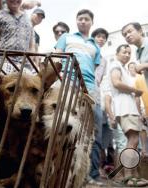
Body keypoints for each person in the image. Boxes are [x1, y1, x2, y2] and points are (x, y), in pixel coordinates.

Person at [55, 9, 103, 185]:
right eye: (80, 19)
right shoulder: (66, 37)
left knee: (85, 132)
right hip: (66, 82)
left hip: (89, 89)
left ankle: (82, 175)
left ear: (91, 22)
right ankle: (57, 171)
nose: (83, 21)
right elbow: (57, 57)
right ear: (76, 21)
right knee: (63, 125)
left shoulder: (95, 46)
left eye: (86, 19)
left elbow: (95, 69)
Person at [108, 44, 148, 186]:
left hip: (126, 108)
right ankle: (129, 176)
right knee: (133, 140)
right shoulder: (115, 64)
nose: (127, 54)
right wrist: (135, 91)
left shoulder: (122, 67)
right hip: (125, 108)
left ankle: (128, 175)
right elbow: (116, 82)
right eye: (124, 52)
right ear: (117, 53)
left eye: (129, 53)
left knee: (130, 142)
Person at [0, 0, 35, 73]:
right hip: (2, 64)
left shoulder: (29, 21)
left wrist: (28, 66)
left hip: (24, 68)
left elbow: (31, 47)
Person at [91, 27, 114, 177]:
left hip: (96, 97)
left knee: (97, 138)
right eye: (98, 36)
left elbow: (100, 81)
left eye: (103, 38)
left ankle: (94, 174)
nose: (101, 39)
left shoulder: (104, 61)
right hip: (82, 93)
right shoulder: (87, 51)